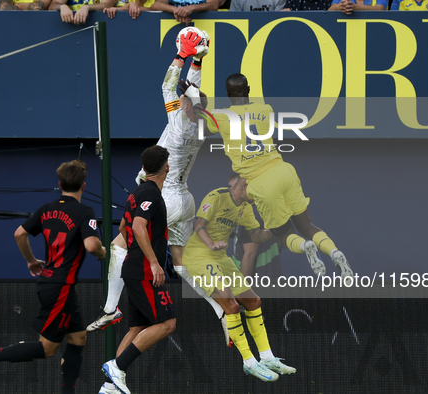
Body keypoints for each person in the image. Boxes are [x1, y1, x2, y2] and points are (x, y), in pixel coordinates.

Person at [88, 28, 230, 346]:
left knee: (119, 246)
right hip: (183, 198)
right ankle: (219, 309)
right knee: (180, 261)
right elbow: (184, 91)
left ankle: (111, 308)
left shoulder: (182, 124)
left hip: (165, 196)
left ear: (189, 107)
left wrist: (183, 55)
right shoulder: (194, 120)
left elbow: (172, 86)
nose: (178, 98)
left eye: (184, 100)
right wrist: (199, 60)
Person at [0, 159, 106, 394]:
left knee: (78, 337)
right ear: (84, 186)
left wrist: (31, 260)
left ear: (59, 184)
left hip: (58, 285)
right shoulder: (84, 211)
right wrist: (102, 252)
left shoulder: (47, 208)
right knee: (47, 349)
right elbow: (92, 246)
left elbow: (19, 233)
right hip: (60, 287)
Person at [208, 73, 353, 280]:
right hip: (284, 170)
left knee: (284, 234)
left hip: (261, 183)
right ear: (248, 90)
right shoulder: (266, 110)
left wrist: (198, 102)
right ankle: (334, 251)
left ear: (228, 94)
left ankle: (305, 247)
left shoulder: (221, 117)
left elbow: (198, 121)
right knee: (306, 225)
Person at [182, 174, 295, 382]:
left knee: (254, 301)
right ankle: (249, 363)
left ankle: (267, 358)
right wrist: (210, 244)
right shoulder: (217, 196)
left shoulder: (246, 208)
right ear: (244, 186)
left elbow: (256, 236)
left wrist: (276, 229)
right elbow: (199, 224)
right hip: (199, 256)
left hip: (220, 258)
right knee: (232, 306)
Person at [99, 145, 175, 394]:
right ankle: (117, 367)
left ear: (144, 168)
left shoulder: (137, 192)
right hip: (143, 270)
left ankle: (110, 387)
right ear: (167, 167)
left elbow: (124, 226)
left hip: (133, 267)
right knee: (167, 324)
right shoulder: (151, 193)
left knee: (137, 329)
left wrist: (135, 251)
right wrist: (153, 261)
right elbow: (138, 227)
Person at [149, 0, 218, 25]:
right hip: (175, 26)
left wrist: (192, 8)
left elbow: (214, 5)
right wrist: (177, 10)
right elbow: (156, 5)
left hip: (203, 27)